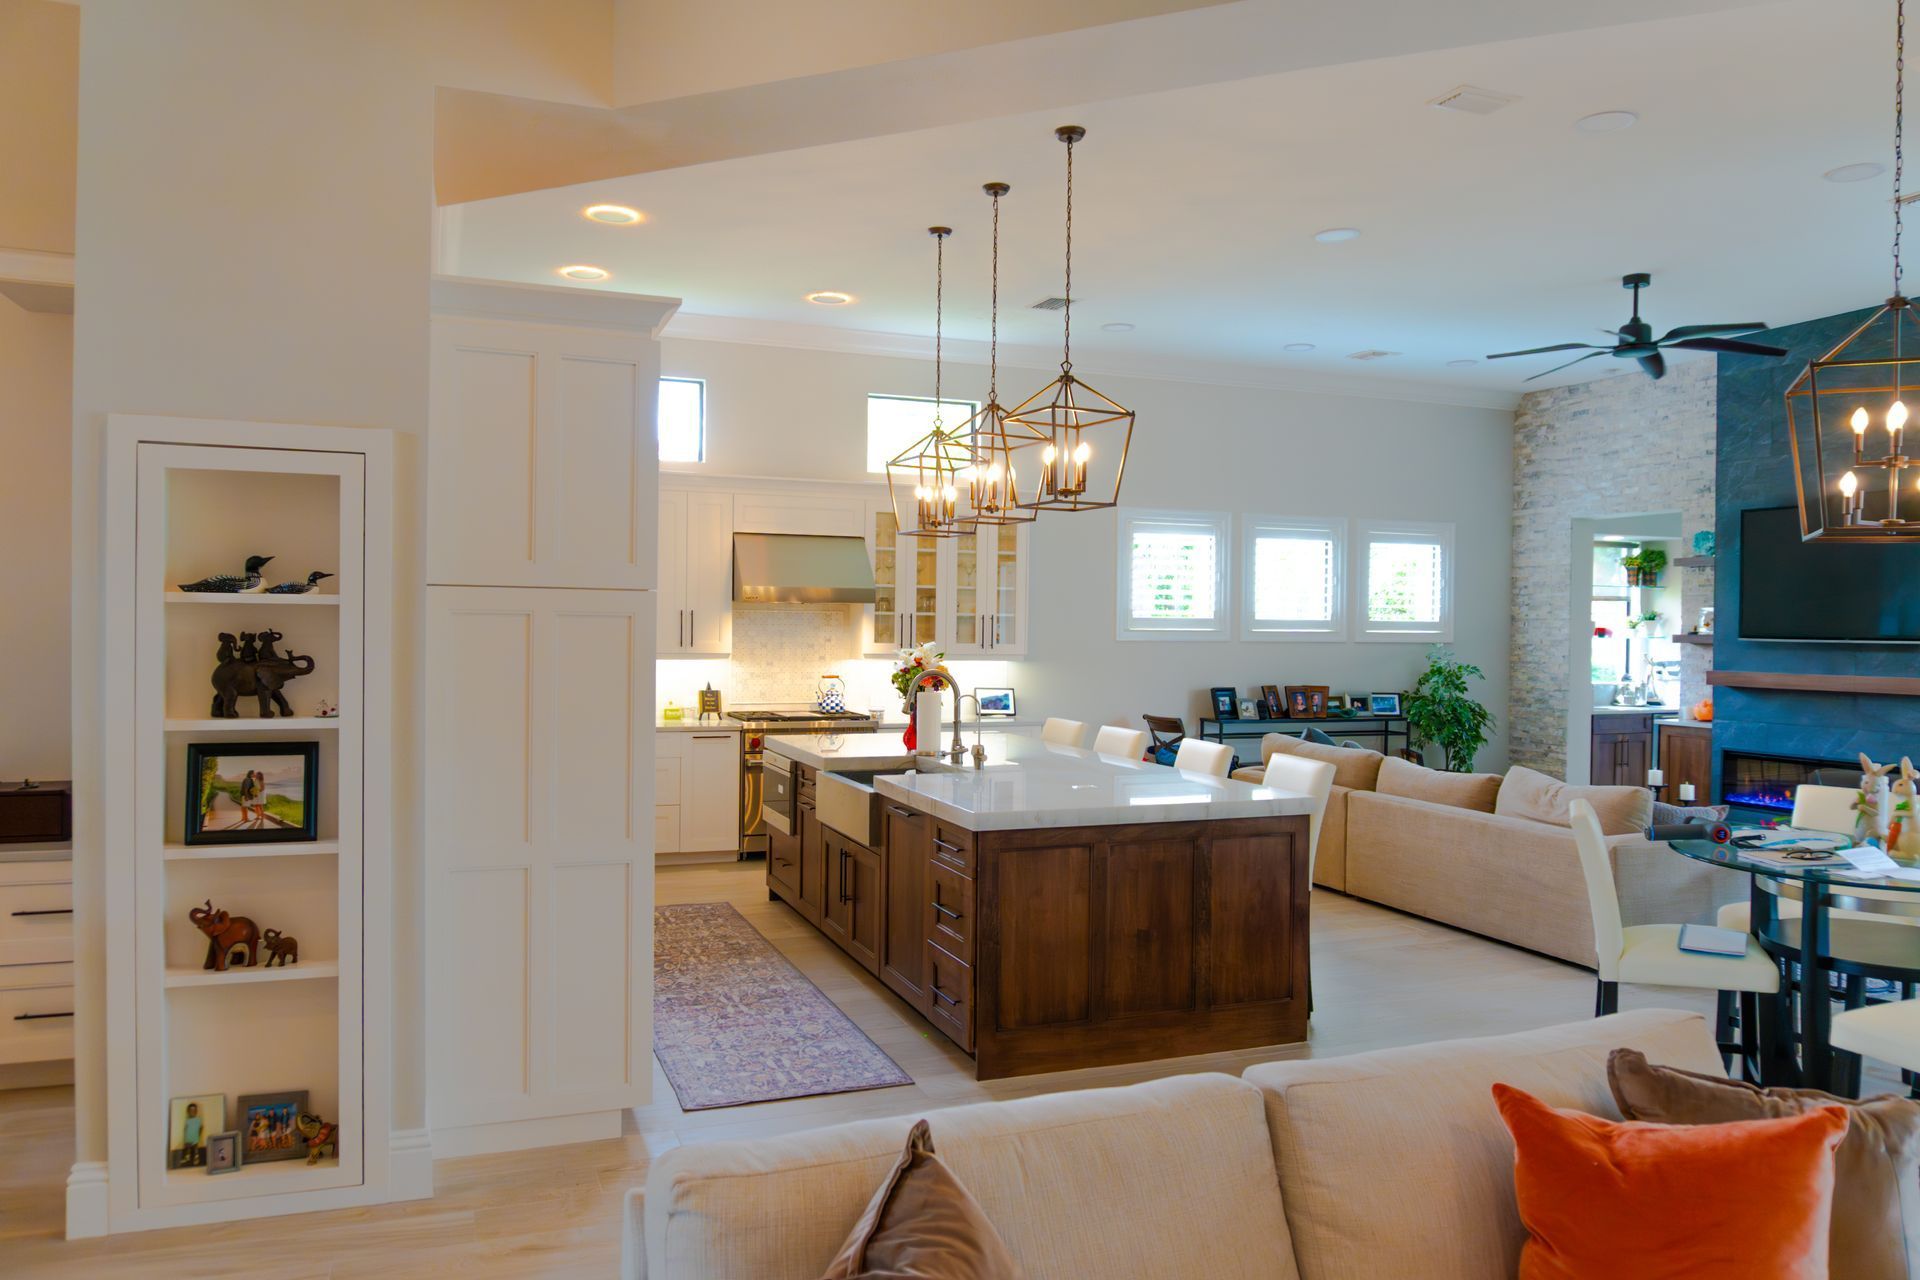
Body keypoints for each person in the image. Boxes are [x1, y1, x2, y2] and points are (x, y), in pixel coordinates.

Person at [180, 1101, 203, 1167]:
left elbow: (201, 1127)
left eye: (194, 1110)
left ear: (196, 1111)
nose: (192, 1112)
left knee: (196, 1148)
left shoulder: (198, 1119)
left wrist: (199, 1135)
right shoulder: (187, 1120)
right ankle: (187, 1157)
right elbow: (185, 1128)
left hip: (195, 1136)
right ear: (188, 1112)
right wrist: (185, 1137)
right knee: (188, 1147)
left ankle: (196, 1157)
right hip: (188, 1136)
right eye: (191, 1110)